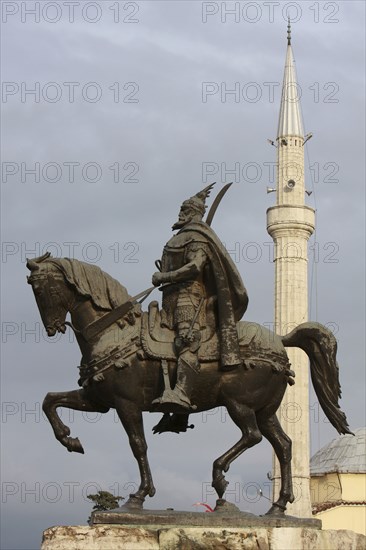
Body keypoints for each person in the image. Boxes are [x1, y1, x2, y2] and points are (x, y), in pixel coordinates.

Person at [151, 184, 248, 411]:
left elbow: (195, 267)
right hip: (169, 298)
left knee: (186, 341)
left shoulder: (197, 237)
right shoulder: (179, 237)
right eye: (181, 209)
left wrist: (165, 275)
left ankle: (182, 394)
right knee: (161, 342)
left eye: (185, 210)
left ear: (194, 213)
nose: (180, 213)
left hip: (189, 298)